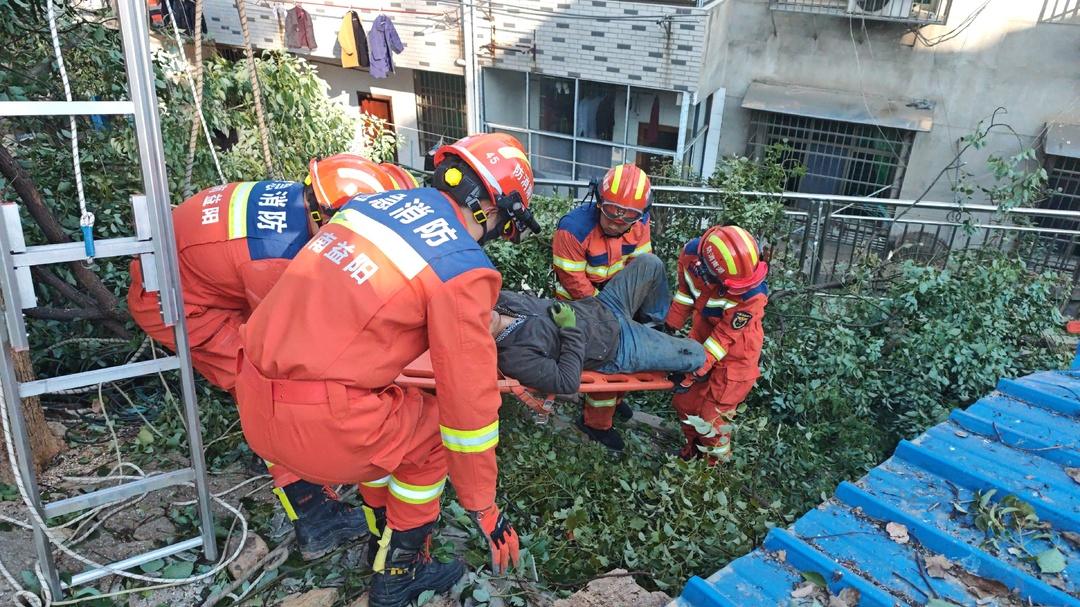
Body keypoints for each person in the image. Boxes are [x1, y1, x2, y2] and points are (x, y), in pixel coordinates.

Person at [233, 133, 540, 607]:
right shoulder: (462, 266)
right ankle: (399, 572)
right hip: (322, 428)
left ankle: (380, 532)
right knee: (437, 435)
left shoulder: (367, 209)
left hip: (252, 400)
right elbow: (469, 406)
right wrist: (484, 505)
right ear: (495, 209)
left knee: (395, 413)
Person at [126, 154, 417, 560]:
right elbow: (291, 345)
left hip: (193, 277)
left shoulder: (304, 209)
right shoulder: (279, 259)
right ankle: (314, 519)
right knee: (271, 387)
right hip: (178, 305)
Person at [492, 253, 705, 451]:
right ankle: (649, 342)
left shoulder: (501, 301)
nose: (484, 315)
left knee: (651, 263)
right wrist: (569, 329)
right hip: (617, 346)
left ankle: (652, 327)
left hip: (603, 306)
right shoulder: (513, 357)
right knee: (696, 355)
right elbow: (566, 382)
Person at [550, 163, 654, 439]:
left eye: (628, 216)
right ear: (599, 202)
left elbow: (639, 266)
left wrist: (633, 307)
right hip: (578, 306)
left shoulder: (640, 226)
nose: (618, 222)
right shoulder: (573, 229)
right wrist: (610, 315)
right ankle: (596, 425)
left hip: (616, 298)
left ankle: (616, 401)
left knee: (628, 347)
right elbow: (575, 282)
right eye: (611, 212)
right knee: (609, 358)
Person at [665, 225, 768, 465]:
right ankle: (693, 453)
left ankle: (715, 471)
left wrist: (695, 367)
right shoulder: (690, 256)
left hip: (737, 354)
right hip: (702, 335)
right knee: (684, 403)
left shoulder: (752, 294)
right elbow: (684, 294)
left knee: (712, 418)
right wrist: (669, 326)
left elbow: (723, 338)